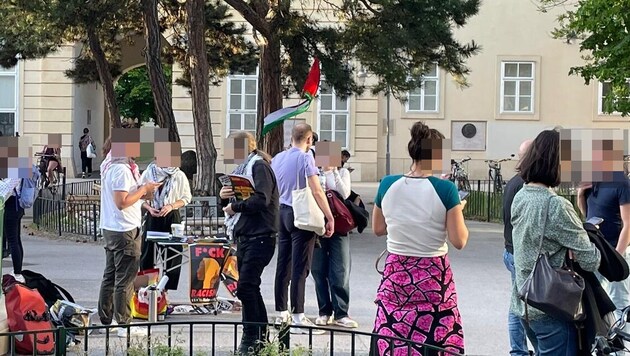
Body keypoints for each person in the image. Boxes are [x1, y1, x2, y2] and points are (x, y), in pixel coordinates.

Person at [370, 121, 469, 355]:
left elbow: (378, 228)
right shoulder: (446, 190)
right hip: (433, 274)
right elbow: (459, 240)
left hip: (396, 272)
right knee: (435, 337)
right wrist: (457, 213)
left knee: (394, 332)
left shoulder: (387, 184)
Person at [511, 129, 601, 355]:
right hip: (552, 309)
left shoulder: (520, 195)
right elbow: (591, 261)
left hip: (525, 304)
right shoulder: (556, 205)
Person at [219, 131, 279, 354]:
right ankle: (260, 336)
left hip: (260, 236)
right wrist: (225, 196)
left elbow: (261, 199)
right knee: (250, 288)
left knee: (245, 287)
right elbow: (238, 199)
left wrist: (235, 206)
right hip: (246, 236)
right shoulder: (242, 168)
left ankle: (252, 336)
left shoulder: (258, 166)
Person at [271, 123, 334, 335]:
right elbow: (316, 190)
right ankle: (298, 316)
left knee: (284, 263)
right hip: (301, 213)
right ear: (309, 140)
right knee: (300, 266)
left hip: (283, 211)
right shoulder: (306, 157)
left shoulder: (278, 157)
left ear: (292, 137)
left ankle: (281, 312)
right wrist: (329, 216)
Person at [97, 137, 161, 338]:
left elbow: (124, 198)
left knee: (111, 274)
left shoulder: (111, 164)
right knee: (125, 278)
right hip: (123, 229)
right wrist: (144, 189)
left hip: (112, 227)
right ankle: (124, 322)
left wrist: (143, 194)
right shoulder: (122, 170)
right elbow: (121, 202)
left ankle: (107, 318)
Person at [577, 164, 630, 322]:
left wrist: (616, 257)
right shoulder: (593, 182)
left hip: (615, 250)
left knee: (620, 303)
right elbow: (588, 215)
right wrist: (580, 194)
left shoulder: (621, 183)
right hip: (595, 250)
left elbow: (628, 224)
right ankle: (604, 343)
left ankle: (622, 347)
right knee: (596, 301)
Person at [311, 156, 358, 328]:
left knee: (341, 270)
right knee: (318, 269)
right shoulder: (313, 172)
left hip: (339, 225)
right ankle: (324, 311)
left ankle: (341, 313)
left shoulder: (343, 172)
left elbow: (345, 194)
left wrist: (334, 172)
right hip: (317, 225)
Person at [139, 160, 192, 292]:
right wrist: (148, 208)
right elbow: (139, 196)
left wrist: (171, 205)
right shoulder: (148, 172)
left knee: (173, 254)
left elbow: (186, 197)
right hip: (153, 214)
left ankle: (165, 291)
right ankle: (145, 290)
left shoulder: (179, 175)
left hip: (171, 216)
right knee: (147, 253)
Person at [502, 139, 533, 356]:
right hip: (517, 252)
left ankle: (518, 351)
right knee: (519, 308)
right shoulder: (523, 185)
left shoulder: (514, 181)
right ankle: (518, 351)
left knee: (517, 305)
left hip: (510, 250)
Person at [0, 178, 25, 282]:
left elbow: (5, 189)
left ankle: (17, 273)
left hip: (11, 205)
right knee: (16, 240)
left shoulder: (17, 168)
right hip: (16, 205)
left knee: (13, 241)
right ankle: (17, 271)